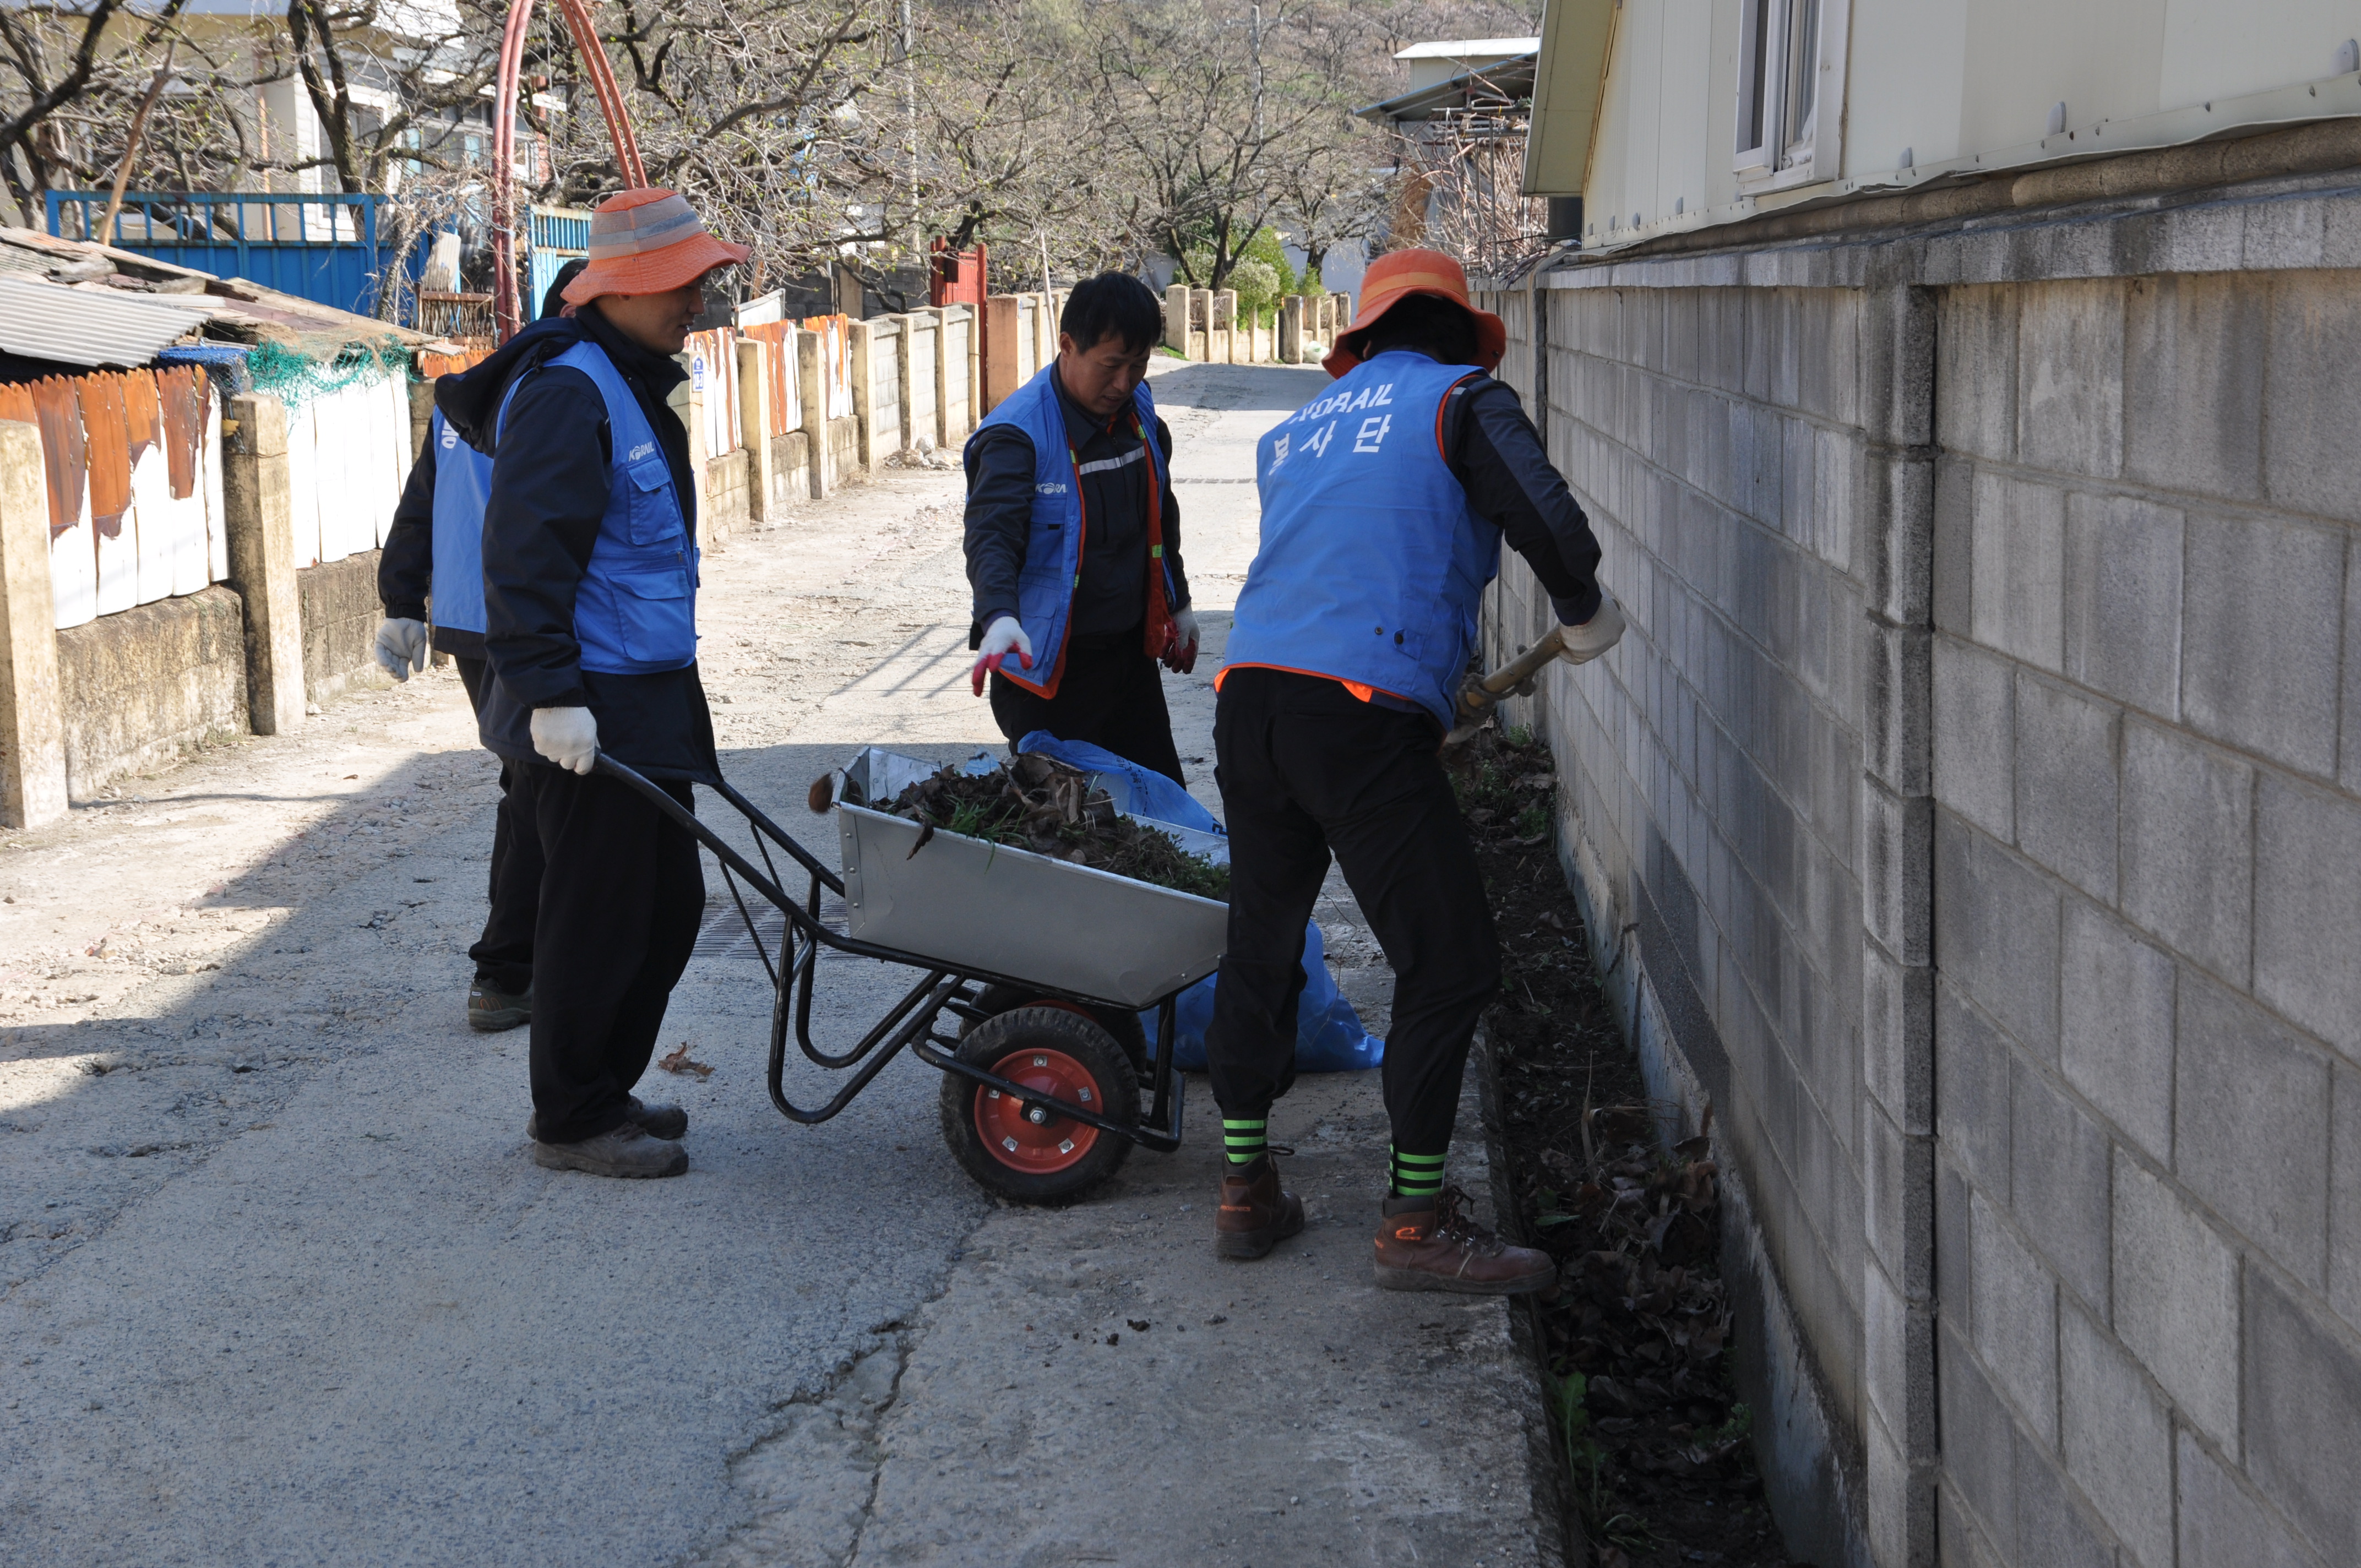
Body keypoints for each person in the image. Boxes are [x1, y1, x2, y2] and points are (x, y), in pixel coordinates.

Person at [1203, 249, 1626, 1291]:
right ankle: (1415, 1226)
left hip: (1250, 698)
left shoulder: (1300, 427)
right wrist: (1581, 610)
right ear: (1457, 334)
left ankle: (1244, 1189)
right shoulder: (1463, 399)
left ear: (1366, 337)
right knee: (1450, 963)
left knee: (1261, 944)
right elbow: (1551, 523)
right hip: (1354, 712)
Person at [436, 188, 747, 1179]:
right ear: (620, 288)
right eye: (681, 284)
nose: (696, 300)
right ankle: (570, 1117)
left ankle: (601, 1091)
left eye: (699, 281)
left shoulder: (627, 378)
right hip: (589, 705)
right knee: (600, 915)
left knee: (666, 907)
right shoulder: (569, 392)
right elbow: (524, 558)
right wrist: (549, 694)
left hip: (644, 691)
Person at [374, 260, 586, 1034]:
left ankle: (525, 965)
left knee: (526, 786)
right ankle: (504, 974)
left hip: (473, 624)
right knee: (535, 796)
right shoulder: (564, 394)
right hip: (526, 625)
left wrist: (403, 602)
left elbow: (419, 506)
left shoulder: (474, 390)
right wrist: (402, 601)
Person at [962, 272, 1197, 783]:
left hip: (1128, 661)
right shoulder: (1016, 435)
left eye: (1139, 365)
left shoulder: (1140, 413)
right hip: (1048, 670)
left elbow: (1161, 511)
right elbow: (991, 536)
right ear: (1068, 345)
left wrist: (1179, 605)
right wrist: (999, 616)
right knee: (1069, 817)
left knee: (1159, 803)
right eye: (1111, 366)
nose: (1124, 384)